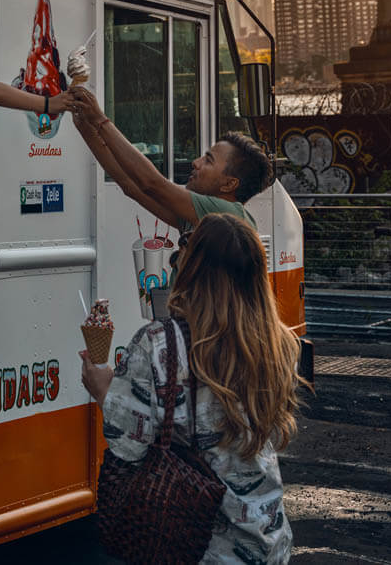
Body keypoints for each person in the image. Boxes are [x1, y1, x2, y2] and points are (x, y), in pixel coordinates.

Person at [80, 213, 300, 564]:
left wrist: (103, 389)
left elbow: (129, 447)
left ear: (192, 270)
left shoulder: (158, 344)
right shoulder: (281, 345)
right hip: (269, 542)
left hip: (201, 547)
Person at [70, 87, 272, 257]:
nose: (196, 162)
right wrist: (85, 128)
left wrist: (99, 120)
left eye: (208, 161)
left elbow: (151, 183)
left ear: (229, 184)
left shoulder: (226, 214)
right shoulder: (200, 216)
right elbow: (131, 186)